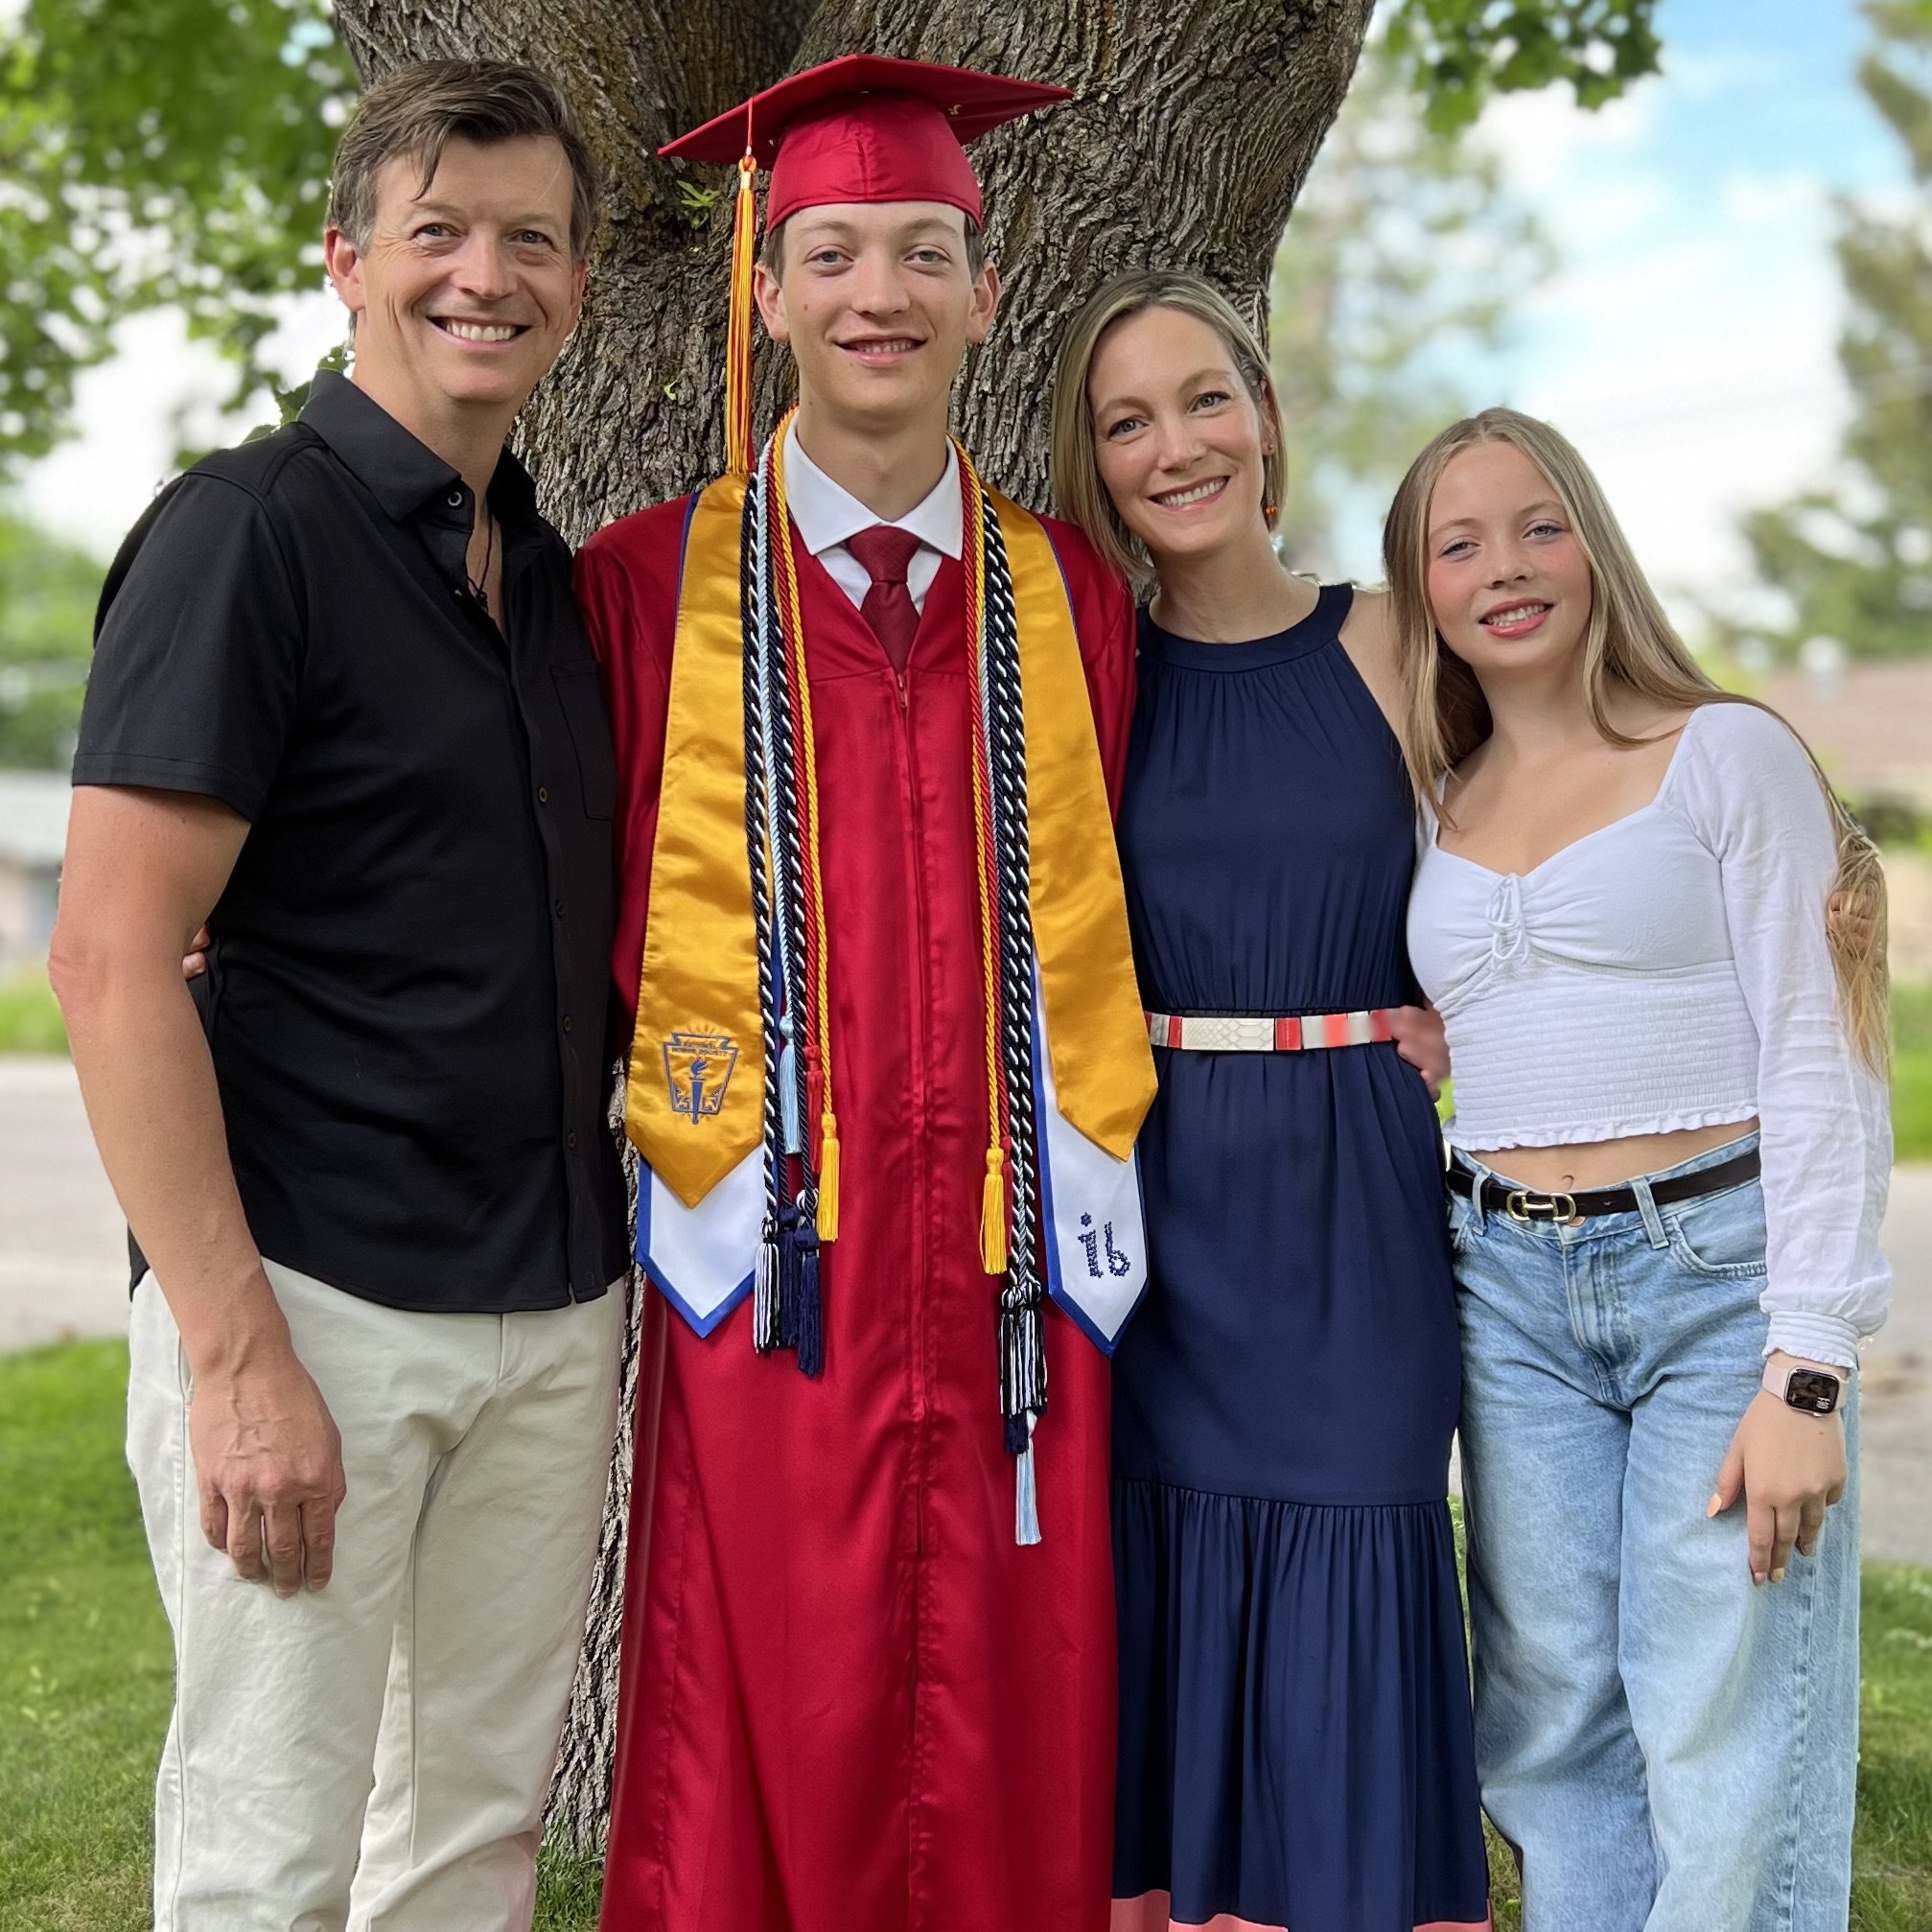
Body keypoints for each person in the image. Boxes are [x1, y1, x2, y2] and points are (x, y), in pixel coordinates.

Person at [576, 56, 1158, 1932]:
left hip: (1020, 1274)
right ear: (767, 287)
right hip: (770, 1264)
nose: (879, 293)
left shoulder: (1075, 602)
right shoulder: (642, 594)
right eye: (832, 252)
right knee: (764, 1707)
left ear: (990, 291)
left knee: (1021, 1705)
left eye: (925, 250)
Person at [50, 61, 629, 1932]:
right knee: (265, 1862)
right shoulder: (249, 537)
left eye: (531, 237)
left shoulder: (542, 581)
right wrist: (234, 1362)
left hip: (546, 1309)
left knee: (462, 1846)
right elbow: (111, 959)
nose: (487, 273)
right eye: (438, 231)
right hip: (312, 1306)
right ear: (348, 261)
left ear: (584, 279)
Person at [1389, 407, 1893, 1932]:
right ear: (1423, 591)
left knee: (1718, 1708)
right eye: (1458, 543)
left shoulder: (1721, 754)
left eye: (1540, 525)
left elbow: (1822, 1060)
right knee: (1549, 1725)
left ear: (1595, 548)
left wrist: (1805, 1371)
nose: (1507, 569)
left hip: (1712, 1284)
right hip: (1507, 1288)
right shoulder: (1431, 804)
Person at [1049, 268, 1491, 1932]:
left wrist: (1487, 1023)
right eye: (1129, 421)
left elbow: (1533, 844)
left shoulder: (1389, 636)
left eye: (1205, 400)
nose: (1178, 446)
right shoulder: (1083, 678)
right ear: (1094, 466)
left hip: (1352, 1186)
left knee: (1362, 1550)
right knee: (1163, 1578)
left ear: (1269, 420)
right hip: (1149, 1196)